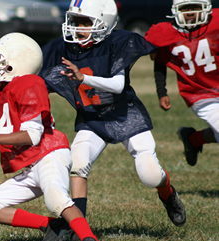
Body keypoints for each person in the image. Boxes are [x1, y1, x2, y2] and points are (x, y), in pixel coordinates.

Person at [0, 33, 108, 241]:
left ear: (15, 63)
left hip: (49, 153)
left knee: (57, 199)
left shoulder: (29, 83)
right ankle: (53, 226)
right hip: (31, 165)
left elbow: (32, 135)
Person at [40, 0, 186, 228]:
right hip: (92, 119)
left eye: (84, 22)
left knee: (150, 175)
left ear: (104, 23)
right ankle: (79, 229)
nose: (77, 28)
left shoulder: (118, 43)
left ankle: (167, 193)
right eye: (74, 22)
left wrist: (83, 78)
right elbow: (38, 82)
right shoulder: (62, 49)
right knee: (78, 164)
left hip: (125, 115)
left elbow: (118, 85)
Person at [145, 0, 218, 166]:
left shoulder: (216, 23)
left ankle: (193, 139)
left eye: (195, 7)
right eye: (186, 8)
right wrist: (161, 92)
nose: (190, 12)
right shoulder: (166, 33)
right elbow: (160, 63)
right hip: (200, 95)